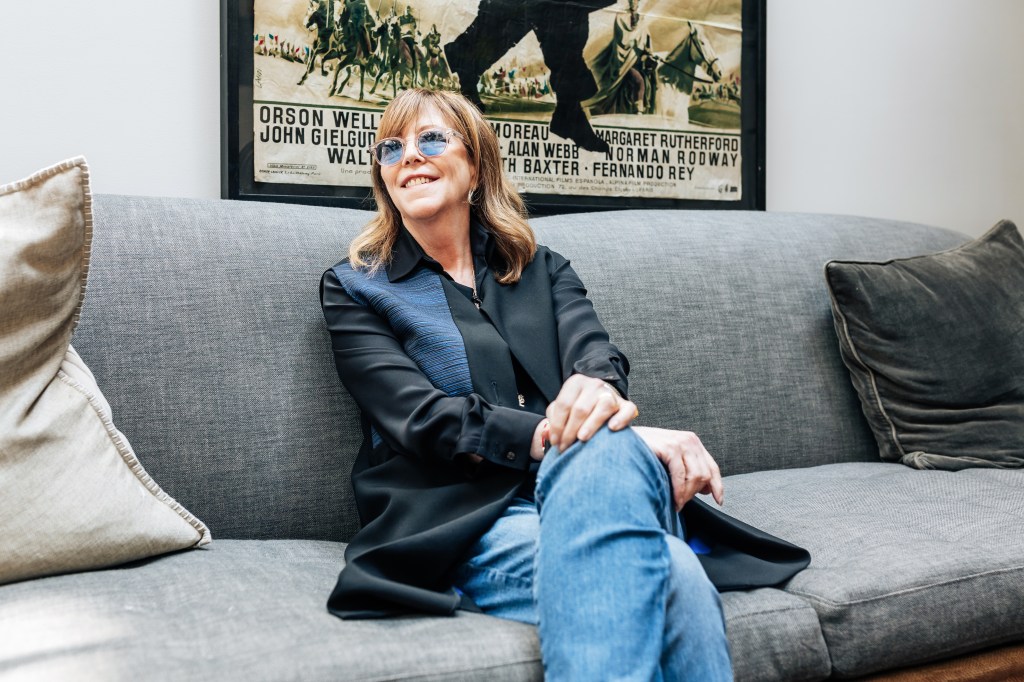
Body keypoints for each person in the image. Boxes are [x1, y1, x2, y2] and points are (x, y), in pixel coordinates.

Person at [320, 88, 809, 679]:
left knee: (600, 440)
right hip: (464, 517)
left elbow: (598, 359)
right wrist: (587, 433)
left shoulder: (541, 268)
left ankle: (599, 448)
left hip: (586, 486)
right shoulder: (357, 288)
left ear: (475, 166)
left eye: (430, 140)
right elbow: (422, 418)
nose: (409, 157)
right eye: (391, 148)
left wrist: (600, 399)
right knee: (672, 572)